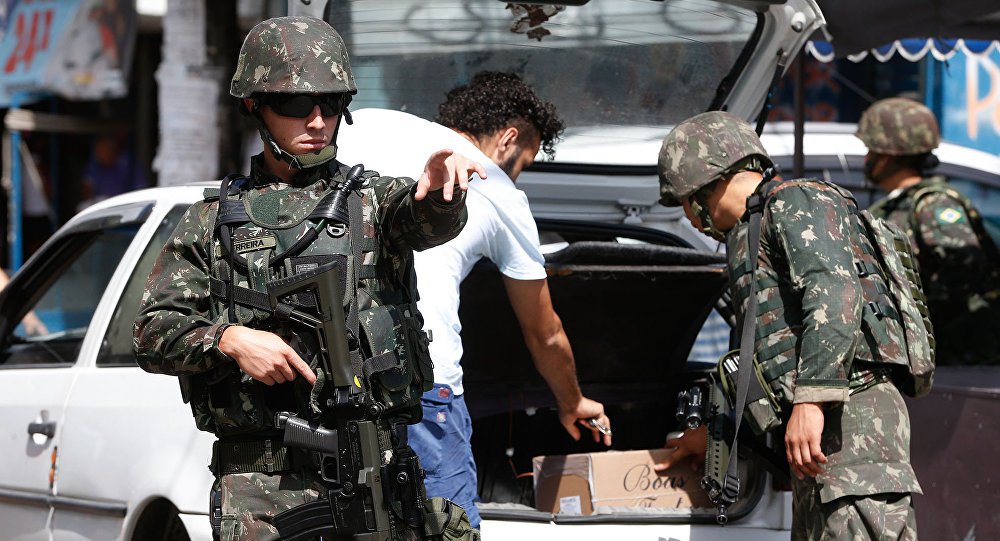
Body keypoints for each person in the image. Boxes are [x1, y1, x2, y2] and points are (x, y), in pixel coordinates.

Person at [133, 16, 485, 541]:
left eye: (332, 103)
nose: (317, 120)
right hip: (263, 490)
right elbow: (152, 332)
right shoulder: (210, 222)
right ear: (254, 105)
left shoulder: (371, 202)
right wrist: (228, 339)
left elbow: (423, 220)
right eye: (296, 104)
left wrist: (439, 191)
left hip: (376, 474)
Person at [337, 71, 612, 528]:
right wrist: (572, 401)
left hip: (328, 380)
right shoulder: (496, 188)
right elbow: (544, 331)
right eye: (524, 162)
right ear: (508, 139)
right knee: (446, 529)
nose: (518, 175)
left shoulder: (368, 123)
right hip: (421, 388)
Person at [653, 111, 921, 540]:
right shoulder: (752, 229)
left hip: (852, 423)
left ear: (706, 183)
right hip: (824, 433)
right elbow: (769, 357)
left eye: (684, 201)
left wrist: (811, 402)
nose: (687, 216)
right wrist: (717, 437)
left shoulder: (795, 200)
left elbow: (834, 293)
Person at [857, 97, 1000, 365]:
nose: (866, 159)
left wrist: (919, 314)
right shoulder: (899, 204)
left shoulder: (933, 203)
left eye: (870, 151)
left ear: (887, 156)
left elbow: (965, 265)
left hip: (956, 358)